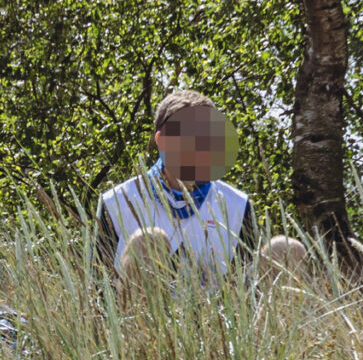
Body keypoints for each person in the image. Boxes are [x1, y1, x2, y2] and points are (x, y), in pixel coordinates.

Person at [96, 89, 263, 279]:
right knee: (149, 241)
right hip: (137, 308)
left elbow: (250, 289)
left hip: (216, 307)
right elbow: (99, 287)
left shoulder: (236, 206)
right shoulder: (117, 203)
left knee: (284, 248)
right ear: (161, 141)